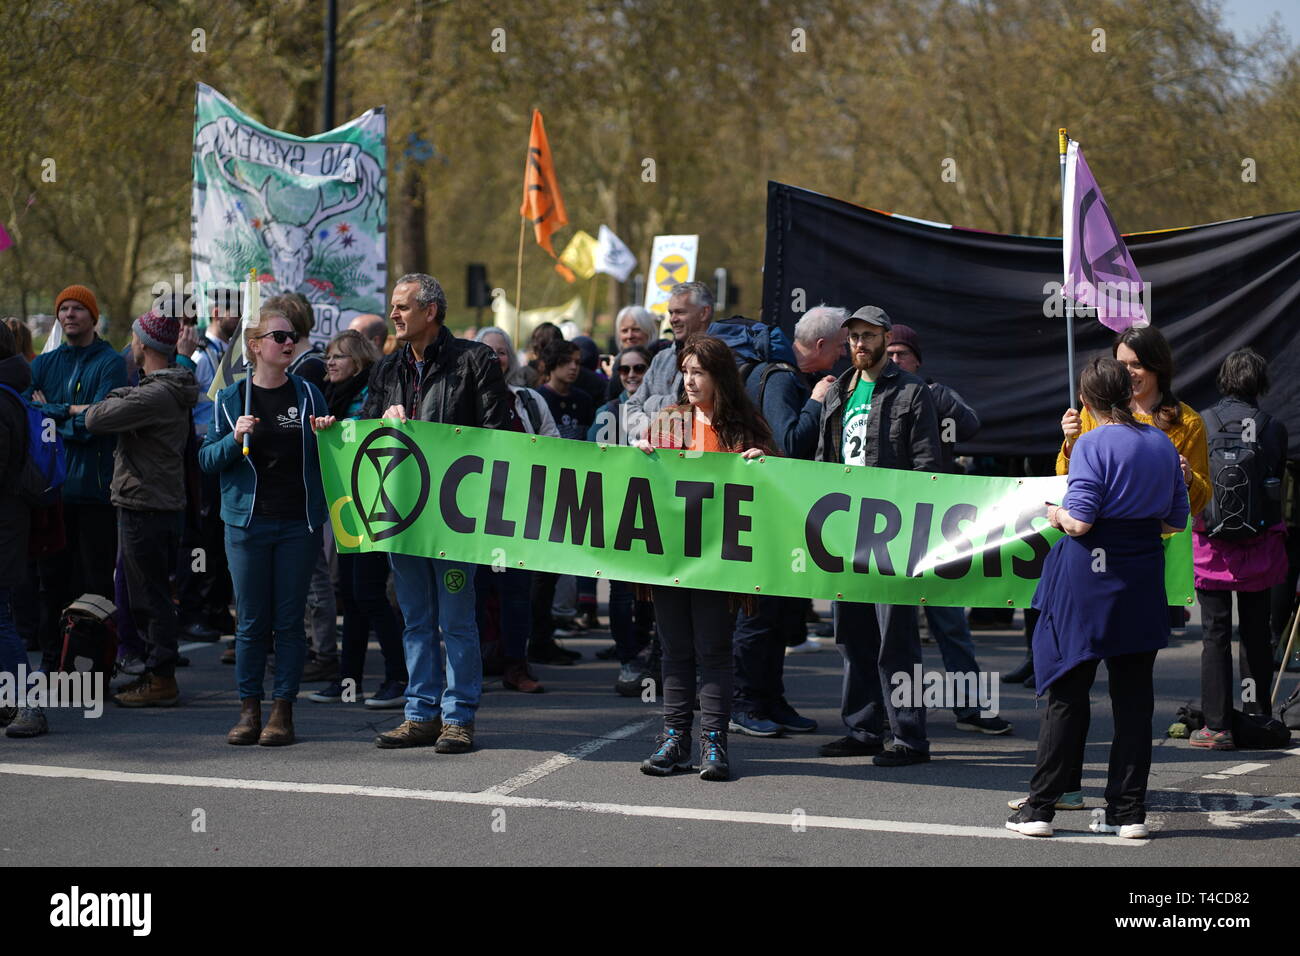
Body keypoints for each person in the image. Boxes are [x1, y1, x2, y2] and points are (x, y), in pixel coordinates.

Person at [1006, 357, 1189, 839]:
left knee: (1067, 692)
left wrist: (1053, 512)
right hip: (1141, 576)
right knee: (1134, 700)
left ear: (1086, 401)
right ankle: (1128, 814)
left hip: (1088, 576)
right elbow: (1176, 521)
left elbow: (1081, 520)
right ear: (1129, 394)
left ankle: (1041, 809)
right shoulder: (1163, 444)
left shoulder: (1090, 443)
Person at [348, 272, 514, 753]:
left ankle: (458, 716)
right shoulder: (387, 367)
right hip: (404, 514)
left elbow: (495, 432)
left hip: (455, 518)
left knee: (457, 620)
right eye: (394, 307)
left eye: (402, 307)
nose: (394, 315)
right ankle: (420, 713)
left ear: (431, 311)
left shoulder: (475, 361)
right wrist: (382, 420)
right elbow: (367, 430)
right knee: (415, 618)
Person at [636, 334, 775, 781]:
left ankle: (714, 742)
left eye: (699, 372)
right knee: (675, 650)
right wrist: (640, 457)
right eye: (686, 371)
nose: (690, 380)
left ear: (720, 377)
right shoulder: (670, 421)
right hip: (673, 557)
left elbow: (780, 484)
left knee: (713, 649)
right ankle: (674, 738)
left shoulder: (745, 425)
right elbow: (643, 483)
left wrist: (765, 460)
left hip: (721, 557)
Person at [814, 306, 942, 767]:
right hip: (844, 531)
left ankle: (909, 739)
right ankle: (863, 729)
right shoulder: (837, 393)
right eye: (854, 337)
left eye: (868, 336)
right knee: (852, 636)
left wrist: (919, 533)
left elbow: (929, 466)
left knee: (897, 641)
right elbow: (822, 462)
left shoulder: (911, 392)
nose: (860, 344)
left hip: (893, 534)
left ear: (886, 339)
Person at [200, 307, 329, 747]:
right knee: (251, 623)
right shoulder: (229, 399)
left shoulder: (310, 395)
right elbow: (206, 461)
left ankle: (283, 711)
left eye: (292, 336)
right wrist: (234, 440)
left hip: (299, 523)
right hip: (246, 524)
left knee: (290, 623)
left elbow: (333, 454)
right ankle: (248, 709)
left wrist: (328, 433)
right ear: (255, 347)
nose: (289, 342)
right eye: (278, 336)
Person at [884, 323, 1010, 734]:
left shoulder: (936, 393)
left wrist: (935, 399)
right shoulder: (870, 396)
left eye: (902, 354)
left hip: (935, 526)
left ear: (918, 361)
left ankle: (970, 707)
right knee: (885, 630)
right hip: (883, 526)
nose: (894, 360)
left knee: (950, 622)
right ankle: (881, 717)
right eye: (889, 354)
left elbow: (971, 424)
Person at [82, 308, 199, 707]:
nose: (129, 346)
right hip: (160, 503)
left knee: (148, 597)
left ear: (144, 345)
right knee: (153, 593)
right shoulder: (166, 388)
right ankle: (156, 673)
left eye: (133, 338)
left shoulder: (153, 394)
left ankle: (160, 678)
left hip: (144, 503)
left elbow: (95, 418)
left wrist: (119, 394)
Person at [25, 285, 127, 735]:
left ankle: (92, 669)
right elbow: (32, 414)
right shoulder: (43, 363)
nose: (69, 314)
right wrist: (73, 415)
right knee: (52, 583)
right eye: (63, 308)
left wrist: (59, 413)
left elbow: (100, 420)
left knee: (95, 585)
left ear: (92, 315)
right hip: (54, 492)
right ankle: (52, 663)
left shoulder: (110, 362)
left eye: (77, 308)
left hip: (97, 492)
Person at [1191, 348, 1288, 750]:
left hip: (1212, 545)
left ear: (1223, 379)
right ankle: (1255, 716)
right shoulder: (1272, 427)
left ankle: (1216, 726)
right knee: (1255, 634)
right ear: (1260, 383)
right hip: (1258, 544)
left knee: (1214, 634)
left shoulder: (1202, 422)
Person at [308, 329, 409, 708]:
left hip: (375, 506)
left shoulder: (370, 394)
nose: (329, 362)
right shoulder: (332, 395)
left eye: (339, 356)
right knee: (351, 595)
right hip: (347, 507)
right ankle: (348, 681)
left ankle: (398, 676)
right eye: (329, 355)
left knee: (368, 593)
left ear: (360, 362)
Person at [471, 326, 551, 694]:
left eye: (501, 352)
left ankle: (516, 666)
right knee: (472, 590)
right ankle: (471, 666)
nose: (494, 358)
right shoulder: (461, 398)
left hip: (519, 514)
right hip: (470, 514)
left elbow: (555, 448)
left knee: (516, 592)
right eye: (486, 351)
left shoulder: (529, 401)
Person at [588, 346, 659, 693]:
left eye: (639, 368)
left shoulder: (663, 412)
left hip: (658, 517)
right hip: (617, 515)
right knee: (620, 593)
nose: (631, 375)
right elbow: (591, 463)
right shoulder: (607, 412)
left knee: (653, 591)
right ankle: (628, 659)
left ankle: (649, 653)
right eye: (624, 369)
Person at [178, 287, 241, 644]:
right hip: (203, 448)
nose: (242, 319)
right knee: (200, 537)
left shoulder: (231, 353)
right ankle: (195, 609)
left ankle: (217, 609)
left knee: (217, 535)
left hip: (222, 448)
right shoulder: (202, 356)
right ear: (217, 311)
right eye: (235, 312)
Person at [0, 322, 36, 736]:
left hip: (4, 523)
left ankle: (28, 705)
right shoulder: (12, 390)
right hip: (10, 520)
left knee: (0, 619)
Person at [624, 281, 716, 439]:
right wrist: (652, 433)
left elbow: (694, 412)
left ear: (704, 313)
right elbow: (630, 407)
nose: (672, 319)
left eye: (680, 312)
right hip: (655, 454)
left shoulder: (719, 358)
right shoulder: (661, 358)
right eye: (670, 312)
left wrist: (651, 403)